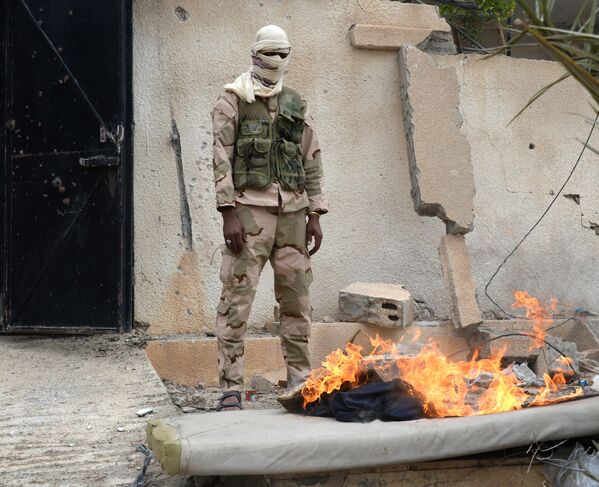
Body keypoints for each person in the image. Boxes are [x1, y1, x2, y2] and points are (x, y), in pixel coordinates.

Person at [211, 25, 329, 411]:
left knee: (297, 302)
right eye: (270, 53)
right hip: (249, 214)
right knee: (237, 299)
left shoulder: (296, 102)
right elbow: (220, 158)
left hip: (294, 216)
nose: (277, 60)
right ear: (255, 54)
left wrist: (315, 213)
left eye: (283, 53)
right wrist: (228, 212)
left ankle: (300, 384)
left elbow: (311, 157)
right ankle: (231, 387)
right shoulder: (234, 99)